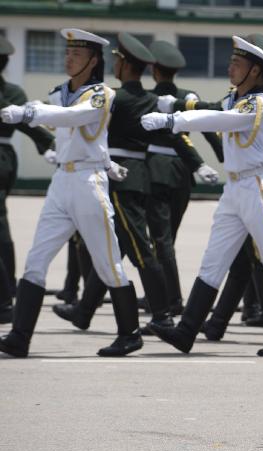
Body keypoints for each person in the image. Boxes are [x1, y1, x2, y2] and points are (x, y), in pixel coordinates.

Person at [140, 36, 263, 357]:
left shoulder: (256, 104)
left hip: (256, 189)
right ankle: (186, 331)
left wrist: (173, 120)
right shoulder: (233, 99)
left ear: (255, 71)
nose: (230, 68)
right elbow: (252, 139)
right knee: (213, 260)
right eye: (231, 61)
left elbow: (220, 120)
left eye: (237, 64)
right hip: (234, 190)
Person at [0, 28, 142, 358]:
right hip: (62, 183)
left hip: (87, 186)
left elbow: (75, 117)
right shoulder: (59, 92)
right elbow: (87, 136)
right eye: (67, 53)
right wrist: (108, 162)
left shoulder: (101, 94)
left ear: (93, 61)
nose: (68, 59)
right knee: (36, 260)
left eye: (76, 55)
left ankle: (130, 334)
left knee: (107, 264)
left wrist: (27, 112)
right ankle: (20, 337)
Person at [52, 33, 179, 334]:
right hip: (137, 174)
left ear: (123, 66)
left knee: (139, 248)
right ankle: (84, 311)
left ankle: (162, 314)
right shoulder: (150, 100)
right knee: (113, 248)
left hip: (120, 180)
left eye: (118, 61)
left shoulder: (115, 98)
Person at [145, 39, 222, 317]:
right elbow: (208, 126)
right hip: (182, 174)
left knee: (160, 240)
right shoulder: (188, 96)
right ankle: (161, 291)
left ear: (154, 70)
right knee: (168, 239)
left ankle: (171, 298)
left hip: (155, 172)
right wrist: (220, 153)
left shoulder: (148, 99)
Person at [0, 35, 55, 322]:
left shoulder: (10, 93)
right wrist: (48, 145)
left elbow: (29, 124)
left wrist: (50, 146)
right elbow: (33, 128)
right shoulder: (14, 92)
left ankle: (4, 300)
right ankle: (7, 290)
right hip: (7, 159)